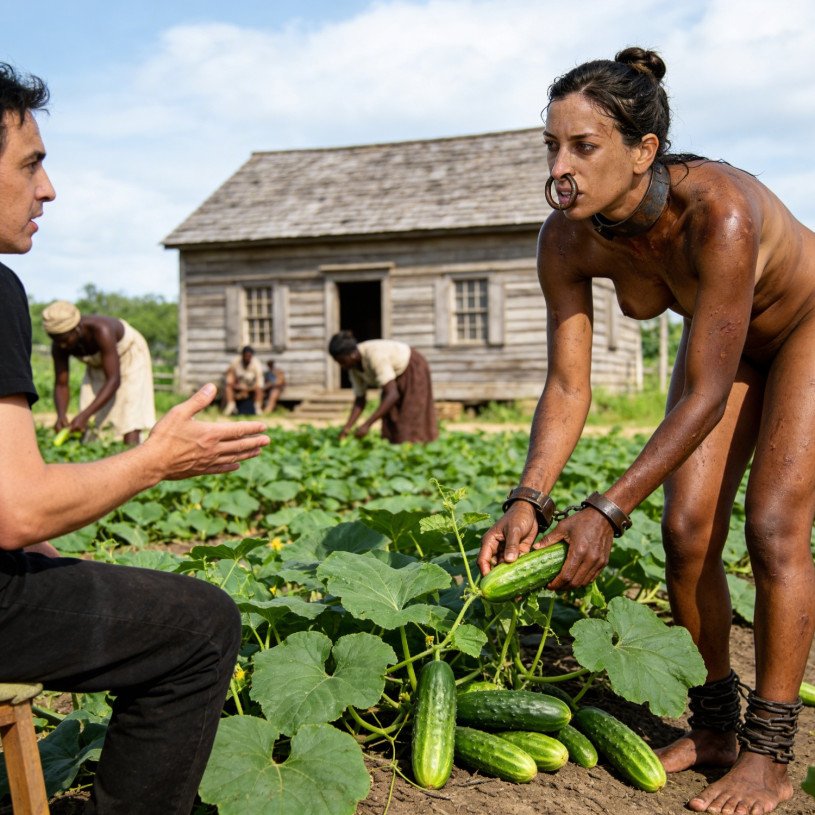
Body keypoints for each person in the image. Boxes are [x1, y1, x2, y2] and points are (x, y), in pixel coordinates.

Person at [477, 47, 815, 815]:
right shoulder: (566, 238)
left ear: (642, 152)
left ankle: (768, 753)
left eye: (583, 146)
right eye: (551, 146)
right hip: (725, 344)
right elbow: (568, 386)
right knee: (685, 529)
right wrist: (529, 498)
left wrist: (603, 510)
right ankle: (715, 727)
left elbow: (703, 396)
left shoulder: (717, 212)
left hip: (805, 325)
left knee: (771, 526)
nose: (560, 167)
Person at [0, 63, 270, 814]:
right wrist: (156, 460)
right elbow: (14, 511)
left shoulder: (97, 331)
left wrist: (41, 548)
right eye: (30, 164)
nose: (48, 189)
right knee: (201, 625)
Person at [43, 299, 156, 445]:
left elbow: (114, 380)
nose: (62, 345)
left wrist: (84, 416)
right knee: (89, 410)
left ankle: (131, 449)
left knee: (129, 413)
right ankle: (94, 452)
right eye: (56, 340)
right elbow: (61, 384)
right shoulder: (59, 345)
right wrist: (61, 415)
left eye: (65, 339)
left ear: (77, 328)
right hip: (99, 365)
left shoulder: (101, 330)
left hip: (129, 357)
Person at [328, 331, 438, 443]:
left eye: (342, 361)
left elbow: (392, 395)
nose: (342, 366)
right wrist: (347, 428)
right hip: (393, 379)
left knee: (410, 420)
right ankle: (395, 448)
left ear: (352, 354)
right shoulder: (353, 368)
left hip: (412, 368)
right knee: (390, 422)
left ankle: (415, 449)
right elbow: (360, 400)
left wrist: (367, 424)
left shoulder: (375, 355)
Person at [222, 345, 264, 415]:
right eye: (246, 356)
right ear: (242, 355)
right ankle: (231, 406)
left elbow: (259, 383)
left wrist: (247, 389)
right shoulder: (236, 362)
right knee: (228, 387)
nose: (247, 358)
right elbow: (229, 375)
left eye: (249, 356)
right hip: (238, 386)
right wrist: (236, 386)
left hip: (251, 387)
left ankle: (257, 408)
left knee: (259, 389)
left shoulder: (256, 364)